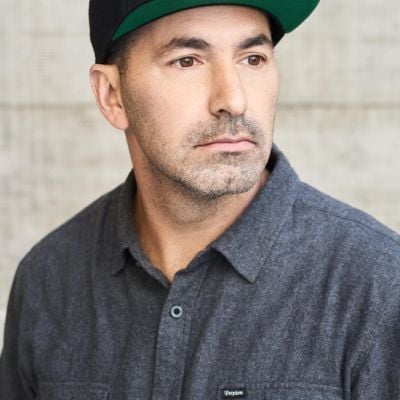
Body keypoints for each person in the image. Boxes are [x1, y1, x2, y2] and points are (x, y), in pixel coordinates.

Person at [1, 0, 400, 398]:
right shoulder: (48, 280)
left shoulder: (379, 286)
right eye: (188, 61)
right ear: (112, 95)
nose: (234, 99)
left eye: (253, 58)